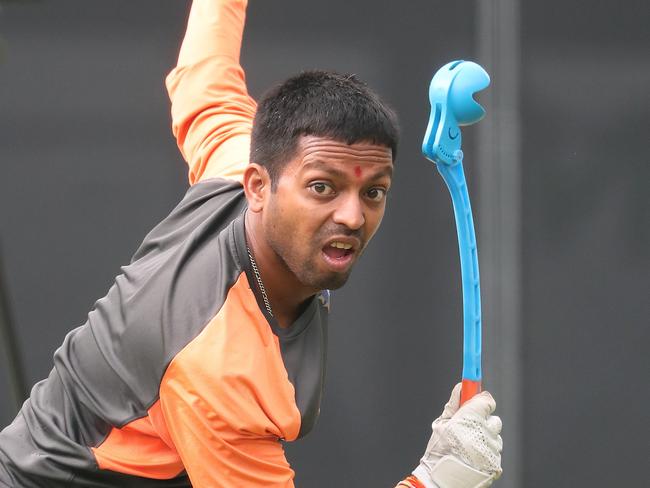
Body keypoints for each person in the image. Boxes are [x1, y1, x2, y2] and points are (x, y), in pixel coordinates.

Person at [0, 0, 502, 487]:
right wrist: (433, 482)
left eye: (373, 191)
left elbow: (205, 72)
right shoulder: (218, 372)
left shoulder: (235, 168)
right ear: (259, 187)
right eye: (322, 188)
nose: (352, 216)